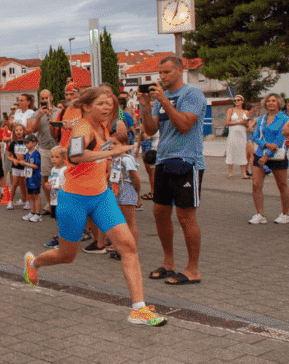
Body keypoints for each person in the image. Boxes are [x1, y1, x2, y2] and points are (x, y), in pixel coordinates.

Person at [23, 87, 167, 326]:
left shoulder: (99, 125)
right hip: (74, 200)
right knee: (67, 256)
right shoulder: (83, 126)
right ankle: (34, 263)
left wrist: (115, 135)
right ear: (87, 106)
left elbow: (113, 124)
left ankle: (138, 308)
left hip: (102, 196)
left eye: (110, 103)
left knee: (128, 246)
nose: (107, 107)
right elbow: (75, 157)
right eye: (101, 103)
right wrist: (111, 151)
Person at [138, 56, 206, 286]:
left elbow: (185, 124)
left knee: (185, 216)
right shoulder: (161, 98)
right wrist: (146, 108)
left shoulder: (192, 94)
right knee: (159, 212)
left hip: (188, 162)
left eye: (167, 72)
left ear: (180, 70)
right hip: (165, 161)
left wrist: (165, 101)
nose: (162, 77)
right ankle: (169, 263)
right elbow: (150, 129)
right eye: (161, 73)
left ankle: (193, 270)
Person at [247, 93, 289, 224]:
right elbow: (255, 137)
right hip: (260, 154)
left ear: (279, 103)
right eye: (268, 101)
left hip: (277, 156)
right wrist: (265, 145)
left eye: (273, 101)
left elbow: (281, 138)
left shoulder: (284, 118)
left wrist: (267, 155)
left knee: (282, 185)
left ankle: (285, 214)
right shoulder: (261, 119)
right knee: (256, 185)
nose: (270, 103)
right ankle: (260, 214)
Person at [30, 89, 60, 213]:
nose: (44, 101)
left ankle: (59, 202)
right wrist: (40, 116)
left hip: (58, 148)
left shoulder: (59, 111)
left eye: (46, 98)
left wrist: (51, 114)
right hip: (44, 148)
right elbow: (33, 129)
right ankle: (50, 204)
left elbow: (60, 129)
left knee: (59, 176)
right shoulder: (36, 113)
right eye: (42, 98)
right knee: (45, 177)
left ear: (51, 98)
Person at [15, 134, 42, 222]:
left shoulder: (36, 153)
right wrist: (20, 160)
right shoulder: (27, 153)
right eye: (25, 142)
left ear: (34, 143)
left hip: (35, 177)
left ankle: (38, 214)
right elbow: (24, 161)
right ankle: (32, 212)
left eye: (28, 142)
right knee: (30, 195)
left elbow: (36, 166)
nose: (26, 144)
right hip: (28, 177)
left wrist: (25, 163)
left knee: (36, 195)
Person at [5, 123, 29, 210]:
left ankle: (26, 201)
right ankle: (10, 201)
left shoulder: (27, 142)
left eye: (20, 130)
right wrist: (14, 160)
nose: (18, 132)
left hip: (24, 167)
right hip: (15, 167)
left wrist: (25, 160)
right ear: (14, 132)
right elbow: (8, 156)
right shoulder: (13, 143)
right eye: (16, 130)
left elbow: (30, 153)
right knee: (14, 184)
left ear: (24, 131)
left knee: (24, 184)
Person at [226, 95, 251, 179]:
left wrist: (244, 123)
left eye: (238, 100)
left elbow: (247, 124)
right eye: (235, 100)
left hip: (242, 134)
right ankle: (230, 173)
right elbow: (227, 122)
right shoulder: (231, 110)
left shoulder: (246, 111)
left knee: (242, 152)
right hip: (233, 134)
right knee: (231, 151)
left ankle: (243, 173)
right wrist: (238, 122)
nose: (236, 101)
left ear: (242, 101)